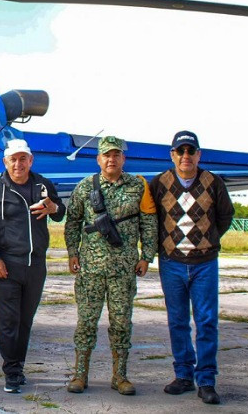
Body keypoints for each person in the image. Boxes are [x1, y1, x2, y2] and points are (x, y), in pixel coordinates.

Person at [64, 136, 157, 396]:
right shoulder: (85, 187)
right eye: (106, 155)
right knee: (86, 322)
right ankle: (80, 375)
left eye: (116, 155)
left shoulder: (138, 186)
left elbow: (148, 223)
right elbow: (73, 222)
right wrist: (72, 253)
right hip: (90, 269)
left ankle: (120, 376)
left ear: (123, 159)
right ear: (98, 159)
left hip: (124, 270)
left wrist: (146, 256)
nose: (111, 159)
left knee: (121, 323)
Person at [149, 131, 234, 405]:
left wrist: (207, 240)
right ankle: (183, 375)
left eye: (190, 151)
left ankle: (206, 380)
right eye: (180, 151)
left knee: (206, 321)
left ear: (199, 155)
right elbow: (152, 218)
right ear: (172, 155)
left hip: (204, 263)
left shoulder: (213, 182)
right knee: (178, 321)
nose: (185, 156)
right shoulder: (159, 183)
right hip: (171, 263)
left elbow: (225, 216)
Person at [0, 138, 65, 394]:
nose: (18, 164)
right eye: (13, 160)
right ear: (5, 162)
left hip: (35, 264)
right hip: (8, 265)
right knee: (8, 321)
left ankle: (19, 365)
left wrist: (53, 207)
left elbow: (59, 213)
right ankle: (12, 371)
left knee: (25, 320)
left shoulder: (43, 185)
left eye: (22, 159)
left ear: (30, 160)